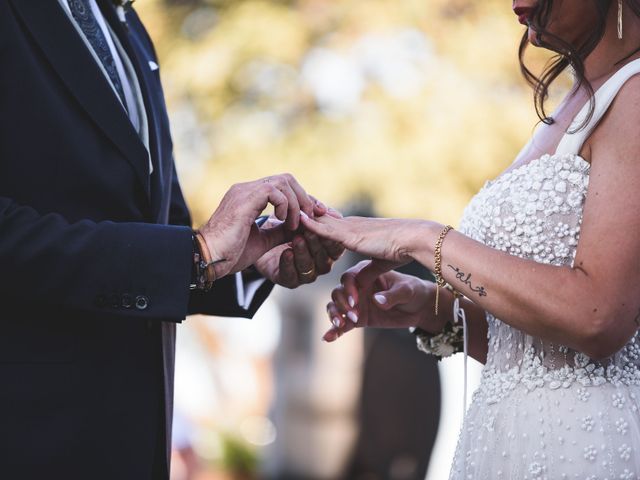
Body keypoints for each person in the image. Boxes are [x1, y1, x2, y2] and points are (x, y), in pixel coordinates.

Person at [0, 1, 342, 479]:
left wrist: (247, 259)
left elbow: (162, 230)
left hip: (134, 448)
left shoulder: (130, 27)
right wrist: (196, 253)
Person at [302, 0, 640, 477]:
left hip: (587, 448)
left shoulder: (635, 94)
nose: (517, 4)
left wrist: (421, 240)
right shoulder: (572, 102)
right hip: (505, 445)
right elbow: (537, 356)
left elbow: (598, 318)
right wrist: (433, 311)